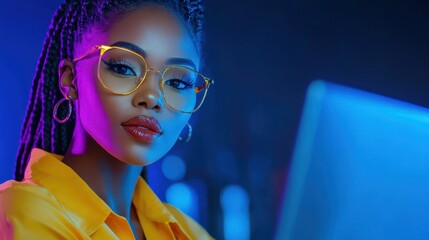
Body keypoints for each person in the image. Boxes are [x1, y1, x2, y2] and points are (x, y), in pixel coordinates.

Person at [0, 0, 214, 239]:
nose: (153, 97)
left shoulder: (190, 233)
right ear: (70, 80)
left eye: (177, 82)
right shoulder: (19, 212)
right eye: (123, 68)